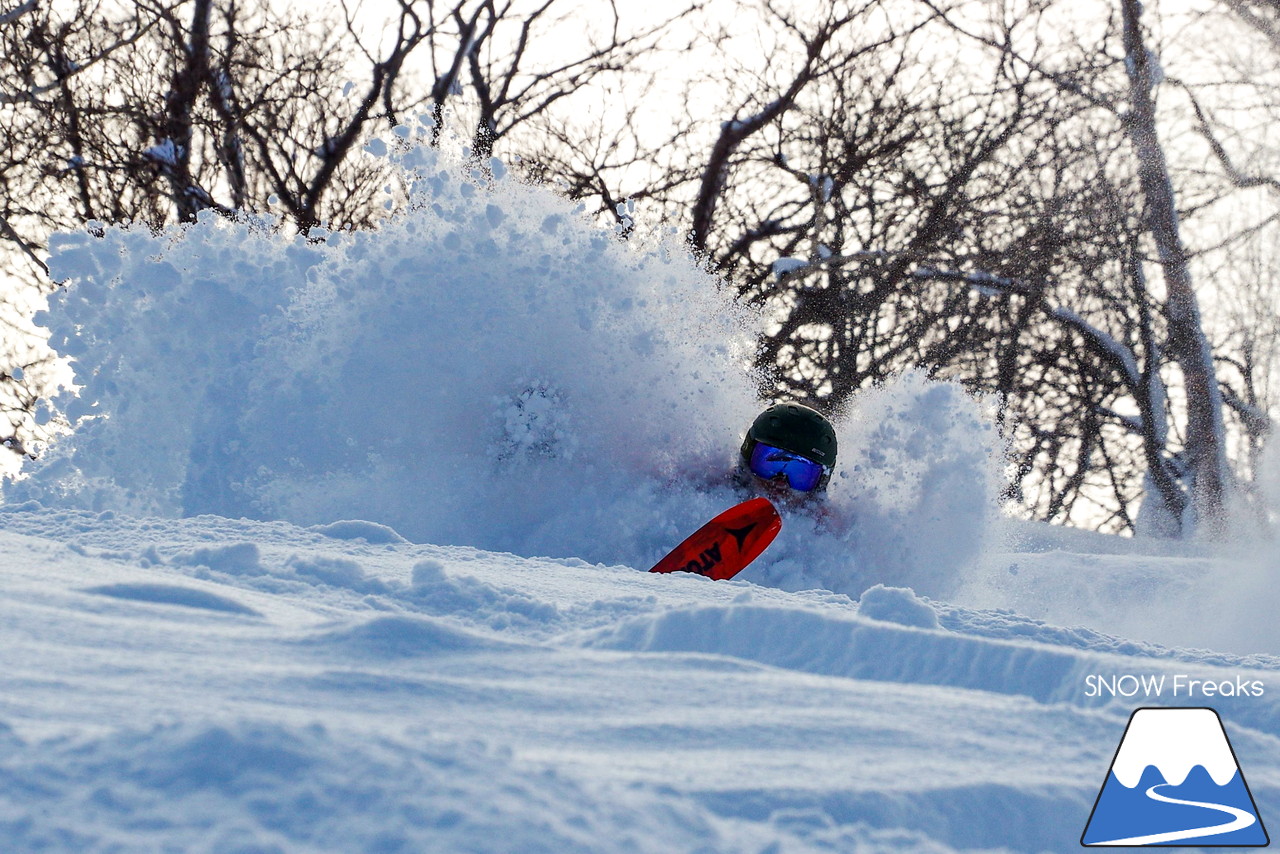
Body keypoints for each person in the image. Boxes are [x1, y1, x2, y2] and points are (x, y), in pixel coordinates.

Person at [736, 402, 838, 506]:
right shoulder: (721, 490)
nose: (780, 484)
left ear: (819, 484)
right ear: (747, 456)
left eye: (800, 475)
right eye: (770, 467)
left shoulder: (826, 520)